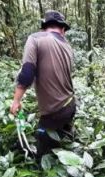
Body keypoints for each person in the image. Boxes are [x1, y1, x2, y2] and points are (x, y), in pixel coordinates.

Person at [10, 10, 76, 159]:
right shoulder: (67, 46)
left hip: (54, 112)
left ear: (44, 27)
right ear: (63, 29)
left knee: (43, 157)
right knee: (62, 146)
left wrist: (16, 101)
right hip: (71, 105)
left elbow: (27, 73)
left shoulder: (35, 39)